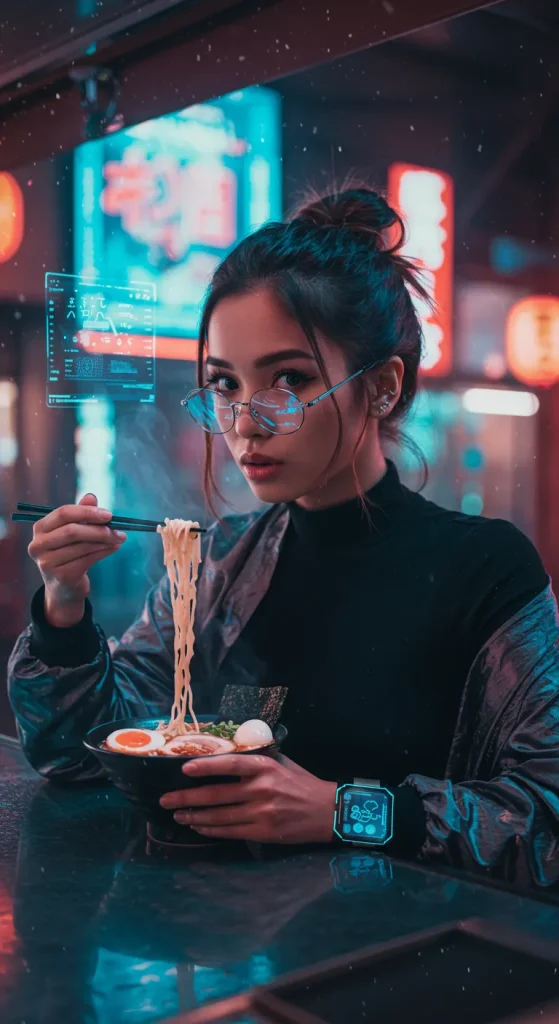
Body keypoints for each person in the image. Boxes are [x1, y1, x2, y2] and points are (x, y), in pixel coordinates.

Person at [8, 188, 559, 888]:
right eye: (224, 385)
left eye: (288, 379)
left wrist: (340, 809)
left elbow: (544, 822)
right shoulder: (224, 560)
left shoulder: (483, 567)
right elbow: (83, 755)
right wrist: (63, 608)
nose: (244, 423)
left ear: (383, 387)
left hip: (417, 961)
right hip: (234, 948)